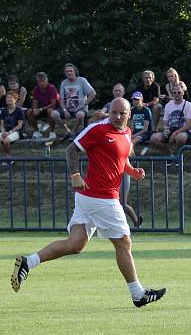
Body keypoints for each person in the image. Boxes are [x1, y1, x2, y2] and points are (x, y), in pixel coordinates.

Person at [10, 98, 166, 308]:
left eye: (122, 113)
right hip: (100, 197)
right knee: (123, 243)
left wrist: (133, 171)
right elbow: (71, 150)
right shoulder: (98, 129)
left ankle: (28, 262)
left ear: (129, 114)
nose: (118, 117)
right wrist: (75, 173)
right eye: (114, 113)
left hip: (89, 198)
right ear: (109, 112)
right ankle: (138, 294)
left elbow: (122, 160)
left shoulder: (127, 133)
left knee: (75, 244)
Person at [52, 63, 96, 141]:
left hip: (80, 108)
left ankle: (72, 132)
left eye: (71, 71)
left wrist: (84, 104)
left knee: (80, 115)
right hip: (67, 108)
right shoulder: (64, 83)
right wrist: (65, 111)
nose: (69, 73)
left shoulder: (82, 80)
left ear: (75, 71)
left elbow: (93, 93)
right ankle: (67, 131)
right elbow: (61, 99)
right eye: (67, 71)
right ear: (65, 73)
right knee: (54, 114)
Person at [149, 83, 191, 152]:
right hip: (171, 129)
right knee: (153, 138)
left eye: (179, 92)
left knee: (180, 138)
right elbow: (165, 121)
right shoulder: (168, 105)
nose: (177, 94)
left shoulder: (189, 105)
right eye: (174, 92)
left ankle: (180, 155)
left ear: (183, 93)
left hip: (184, 131)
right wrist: (166, 130)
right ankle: (168, 153)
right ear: (172, 94)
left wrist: (175, 133)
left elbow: (188, 126)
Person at [26, 72, 59, 139]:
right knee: (29, 112)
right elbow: (35, 102)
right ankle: (36, 131)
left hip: (52, 108)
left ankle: (52, 132)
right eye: (39, 81)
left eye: (43, 81)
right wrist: (35, 109)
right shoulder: (36, 89)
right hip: (40, 109)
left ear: (47, 81)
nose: (41, 83)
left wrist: (41, 109)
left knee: (50, 111)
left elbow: (53, 104)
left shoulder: (52, 88)